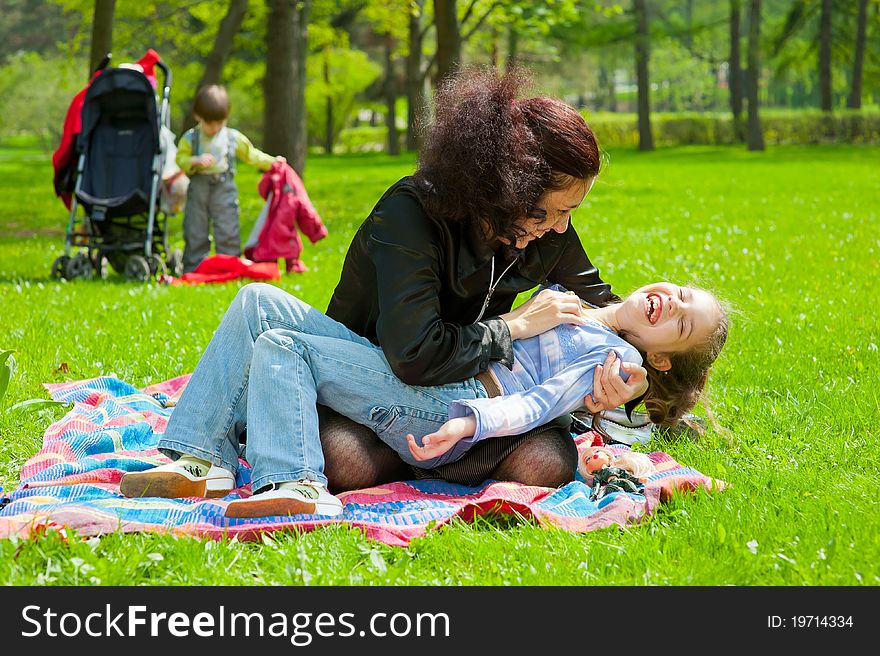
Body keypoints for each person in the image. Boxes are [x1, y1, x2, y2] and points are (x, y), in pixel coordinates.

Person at [119, 280, 728, 518]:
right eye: (679, 293)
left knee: (284, 348)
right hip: (431, 370)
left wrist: (469, 421)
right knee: (257, 301)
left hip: (453, 401)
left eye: (680, 323)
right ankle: (199, 458)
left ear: (661, 356)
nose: (671, 303)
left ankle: (295, 484)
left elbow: (535, 406)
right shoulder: (584, 302)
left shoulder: (610, 359)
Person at [317, 67, 650, 492]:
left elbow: (611, 311)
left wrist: (633, 384)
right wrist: (513, 327)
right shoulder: (410, 214)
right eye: (553, 211)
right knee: (342, 461)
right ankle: (425, 468)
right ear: (508, 189)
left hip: (475, 408)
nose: (562, 228)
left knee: (548, 461)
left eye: (571, 212)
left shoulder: (546, 233)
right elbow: (415, 354)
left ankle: (434, 466)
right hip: (375, 399)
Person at [176, 84, 283, 273]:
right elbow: (180, 159)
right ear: (198, 117)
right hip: (199, 188)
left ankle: (230, 264)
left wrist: (273, 162)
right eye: (210, 124)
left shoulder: (232, 137)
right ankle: (194, 267)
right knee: (195, 226)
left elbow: (252, 155)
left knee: (228, 225)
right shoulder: (191, 139)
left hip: (223, 186)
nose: (215, 128)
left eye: (220, 123)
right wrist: (194, 160)